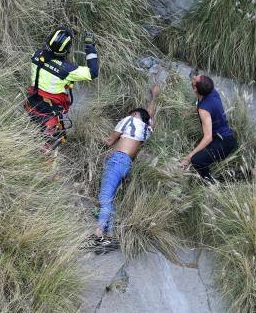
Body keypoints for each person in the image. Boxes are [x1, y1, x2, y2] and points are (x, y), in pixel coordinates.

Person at [89, 84, 160, 250]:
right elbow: (149, 116)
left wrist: (90, 134)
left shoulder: (129, 120)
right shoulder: (146, 131)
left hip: (116, 161)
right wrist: (154, 97)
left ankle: (98, 233)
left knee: (105, 198)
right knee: (111, 199)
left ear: (134, 114)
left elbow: (109, 141)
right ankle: (111, 236)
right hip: (127, 165)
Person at [24, 26, 98, 151]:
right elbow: (93, 72)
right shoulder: (68, 70)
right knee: (51, 145)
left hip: (31, 103)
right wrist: (90, 47)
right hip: (50, 113)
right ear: (66, 50)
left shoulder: (36, 55)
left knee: (31, 135)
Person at [180, 73, 237, 181]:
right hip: (224, 136)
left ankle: (211, 183)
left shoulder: (204, 109)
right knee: (200, 155)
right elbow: (207, 105)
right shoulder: (212, 92)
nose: (193, 77)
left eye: (195, 79)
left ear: (195, 89)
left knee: (197, 160)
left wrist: (189, 157)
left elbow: (208, 137)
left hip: (224, 142)